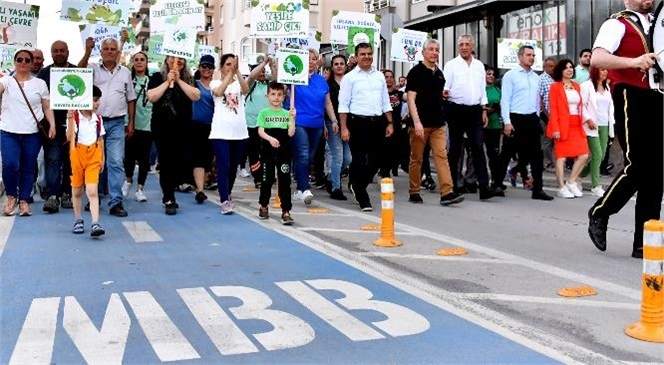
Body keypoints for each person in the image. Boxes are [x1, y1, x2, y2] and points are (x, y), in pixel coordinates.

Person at [587, 0, 662, 259]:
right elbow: (597, 58)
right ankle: (600, 212)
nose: (648, 0)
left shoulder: (658, 22)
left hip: (657, 96)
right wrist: (634, 62)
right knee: (638, 166)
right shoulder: (617, 23)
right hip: (631, 95)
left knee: (656, 173)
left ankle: (645, 243)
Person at [79, 37, 136, 217]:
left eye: (113, 49)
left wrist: (131, 122)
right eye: (106, 48)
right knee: (93, 162)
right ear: (101, 51)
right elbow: (77, 72)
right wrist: (88, 50)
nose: (110, 51)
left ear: (118, 52)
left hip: (117, 123)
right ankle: (92, 198)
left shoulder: (125, 72)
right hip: (94, 122)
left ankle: (116, 202)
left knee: (116, 162)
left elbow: (131, 98)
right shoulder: (92, 69)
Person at [405, 39, 464, 206]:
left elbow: (436, 95)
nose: (434, 52)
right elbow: (411, 98)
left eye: (437, 50)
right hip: (420, 123)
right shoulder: (416, 72)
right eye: (430, 49)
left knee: (441, 157)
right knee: (417, 158)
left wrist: (442, 95)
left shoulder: (439, 74)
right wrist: (416, 122)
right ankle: (414, 191)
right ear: (423, 52)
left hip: (438, 122)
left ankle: (447, 192)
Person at [339, 42, 393, 211]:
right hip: (357, 122)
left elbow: (385, 101)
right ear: (356, 56)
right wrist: (344, 127)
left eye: (369, 53)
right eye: (363, 54)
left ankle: (358, 183)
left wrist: (390, 122)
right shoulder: (350, 78)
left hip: (378, 122)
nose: (367, 57)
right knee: (359, 159)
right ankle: (362, 196)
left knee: (380, 159)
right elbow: (343, 105)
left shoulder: (379, 76)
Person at [1, 49, 56, 216]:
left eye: (27, 60)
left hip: (32, 133)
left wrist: (52, 125)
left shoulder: (40, 84)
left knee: (28, 167)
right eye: (20, 59)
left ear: (32, 63)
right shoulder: (7, 81)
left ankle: (24, 200)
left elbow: (46, 106)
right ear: (15, 62)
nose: (23, 62)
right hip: (8, 131)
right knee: (10, 164)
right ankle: (11, 196)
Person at [147, 56, 201, 215]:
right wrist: (167, 82)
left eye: (180, 60)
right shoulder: (157, 77)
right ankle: (169, 197)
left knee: (180, 162)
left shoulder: (189, 78)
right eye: (172, 58)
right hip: (162, 127)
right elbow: (152, 96)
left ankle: (173, 188)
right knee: (166, 162)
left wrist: (179, 80)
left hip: (183, 127)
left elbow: (196, 96)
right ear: (166, 60)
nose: (176, 62)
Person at [282, 48, 336, 206]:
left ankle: (299, 188)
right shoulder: (294, 78)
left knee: (308, 157)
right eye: (307, 58)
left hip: (317, 124)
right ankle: (305, 189)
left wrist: (333, 120)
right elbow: (282, 91)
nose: (311, 62)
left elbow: (327, 102)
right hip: (299, 122)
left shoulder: (321, 80)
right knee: (303, 155)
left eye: (313, 59)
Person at [443, 34, 495, 200]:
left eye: (467, 44)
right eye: (461, 45)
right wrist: (445, 92)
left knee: (478, 148)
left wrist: (484, 110)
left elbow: (482, 91)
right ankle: (453, 186)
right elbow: (445, 87)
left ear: (473, 46)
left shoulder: (479, 66)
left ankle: (484, 187)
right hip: (456, 110)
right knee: (455, 150)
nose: (464, 47)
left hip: (474, 111)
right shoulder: (451, 65)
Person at [500, 45, 554, 201]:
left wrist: (537, 116)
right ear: (520, 56)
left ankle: (538, 189)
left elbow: (538, 100)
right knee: (507, 153)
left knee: (537, 156)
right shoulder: (511, 75)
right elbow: (505, 100)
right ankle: (497, 184)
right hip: (515, 118)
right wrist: (507, 122)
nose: (531, 57)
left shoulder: (535, 77)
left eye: (533, 55)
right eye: (528, 55)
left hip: (531, 119)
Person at [37, 41, 79, 213]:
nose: (59, 53)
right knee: (53, 160)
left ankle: (68, 194)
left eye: (62, 50)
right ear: (51, 53)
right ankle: (53, 196)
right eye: (56, 51)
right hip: (52, 126)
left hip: (73, 126)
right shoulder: (44, 73)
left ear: (68, 52)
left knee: (71, 162)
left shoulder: (77, 71)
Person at [210, 54, 249, 215]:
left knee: (233, 167)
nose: (230, 67)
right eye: (227, 64)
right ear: (221, 67)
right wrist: (228, 75)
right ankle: (224, 199)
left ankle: (228, 192)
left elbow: (246, 89)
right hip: (220, 132)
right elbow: (219, 93)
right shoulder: (215, 82)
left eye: (233, 64)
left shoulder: (239, 84)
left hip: (239, 132)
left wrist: (237, 72)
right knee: (223, 166)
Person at [546, 59, 589, 198]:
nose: (569, 70)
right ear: (561, 71)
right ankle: (561, 187)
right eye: (566, 68)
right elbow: (553, 109)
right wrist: (555, 129)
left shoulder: (577, 86)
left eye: (571, 67)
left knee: (583, 155)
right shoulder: (555, 87)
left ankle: (571, 182)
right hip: (562, 124)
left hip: (577, 124)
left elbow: (581, 106)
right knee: (561, 157)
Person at [67, 86, 105, 237]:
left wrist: (102, 158)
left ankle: (95, 222)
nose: (97, 104)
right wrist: (70, 119)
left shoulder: (98, 119)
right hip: (77, 154)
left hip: (94, 154)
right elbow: (70, 137)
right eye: (95, 100)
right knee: (77, 190)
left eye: (98, 100)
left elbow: (100, 139)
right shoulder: (75, 117)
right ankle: (78, 219)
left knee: (92, 190)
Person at [257, 81, 296, 225]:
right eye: (273, 94)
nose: (276, 97)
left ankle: (286, 210)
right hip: (267, 151)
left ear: (284, 97)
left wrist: (293, 119)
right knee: (267, 180)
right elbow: (260, 130)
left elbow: (291, 133)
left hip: (284, 152)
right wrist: (269, 138)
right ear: (267, 96)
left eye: (279, 94)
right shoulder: (263, 113)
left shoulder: (287, 113)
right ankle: (263, 205)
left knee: (285, 181)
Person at [123, 51, 153, 203]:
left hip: (147, 124)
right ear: (133, 63)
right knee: (128, 156)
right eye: (136, 60)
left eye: (142, 60)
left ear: (147, 63)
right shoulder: (128, 80)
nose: (139, 62)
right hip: (129, 123)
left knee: (144, 159)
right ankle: (128, 180)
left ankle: (140, 189)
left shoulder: (152, 81)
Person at [580, 67, 614, 197]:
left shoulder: (607, 88)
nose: (605, 72)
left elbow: (609, 109)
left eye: (606, 70)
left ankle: (579, 175)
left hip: (605, 125)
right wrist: (588, 119)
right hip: (591, 125)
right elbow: (581, 105)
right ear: (595, 71)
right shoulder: (586, 86)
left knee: (602, 154)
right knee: (598, 154)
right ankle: (595, 185)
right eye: (602, 70)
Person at [244, 54, 276, 189]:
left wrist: (272, 64)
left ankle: (266, 175)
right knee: (254, 153)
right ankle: (258, 177)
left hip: (268, 124)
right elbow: (252, 75)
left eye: (263, 71)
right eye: (259, 70)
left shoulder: (269, 85)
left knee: (267, 153)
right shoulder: (249, 84)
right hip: (252, 125)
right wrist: (263, 64)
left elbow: (277, 79)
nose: (262, 73)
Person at [190, 54, 216, 204]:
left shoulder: (217, 85)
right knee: (199, 158)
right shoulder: (194, 84)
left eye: (210, 67)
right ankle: (200, 190)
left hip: (214, 126)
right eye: (204, 66)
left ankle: (202, 184)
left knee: (209, 158)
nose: (206, 69)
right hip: (196, 125)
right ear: (199, 67)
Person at [326, 55, 351, 200]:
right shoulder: (327, 85)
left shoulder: (350, 82)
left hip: (347, 124)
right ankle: (336, 188)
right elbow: (325, 105)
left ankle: (330, 176)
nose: (339, 66)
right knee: (338, 157)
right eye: (336, 64)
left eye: (342, 63)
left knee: (348, 158)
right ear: (332, 67)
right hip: (332, 123)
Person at [483, 65, 504, 195]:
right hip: (482, 126)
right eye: (488, 74)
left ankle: (496, 182)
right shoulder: (479, 89)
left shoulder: (497, 90)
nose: (491, 76)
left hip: (495, 125)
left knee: (494, 155)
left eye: (492, 74)